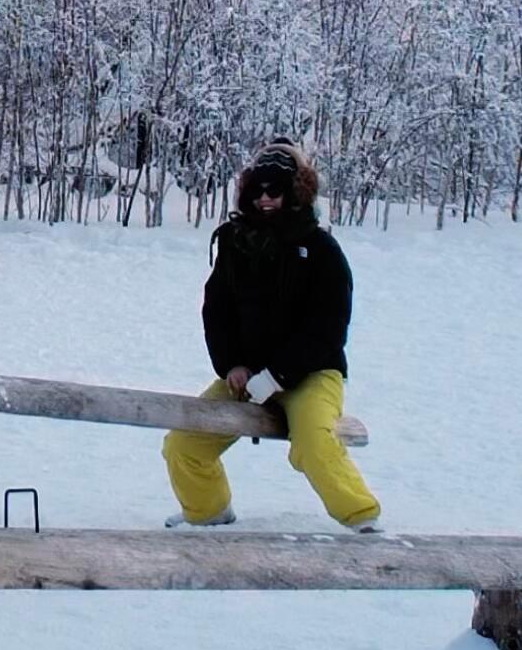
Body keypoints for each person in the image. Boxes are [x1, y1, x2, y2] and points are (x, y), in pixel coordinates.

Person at [161, 139, 381, 533]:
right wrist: (233, 365)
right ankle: (207, 513)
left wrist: (277, 376)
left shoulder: (321, 249)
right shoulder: (233, 241)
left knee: (315, 442)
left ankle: (361, 517)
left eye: (275, 190)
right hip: (248, 377)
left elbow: (328, 329)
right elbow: (217, 311)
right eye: (257, 189)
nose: (264, 198)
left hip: (313, 375)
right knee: (184, 443)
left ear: (295, 191)